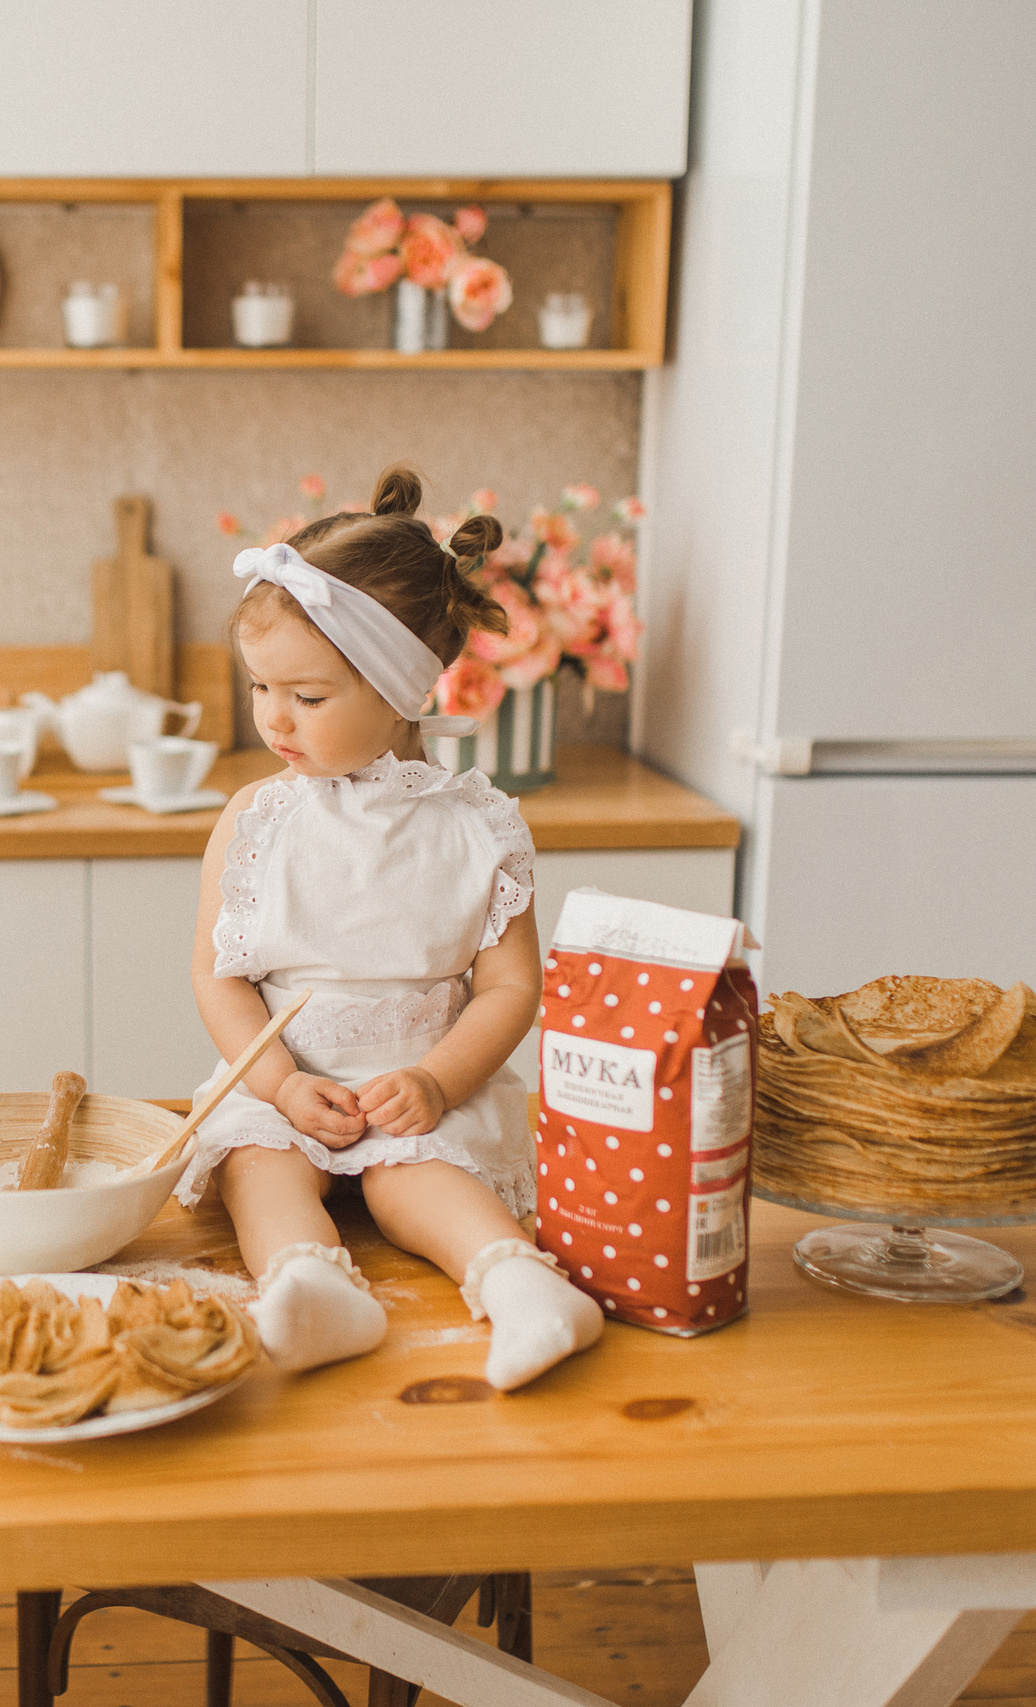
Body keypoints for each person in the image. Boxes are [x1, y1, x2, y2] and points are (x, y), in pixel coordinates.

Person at [184, 466, 602, 1390]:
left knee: (412, 1181)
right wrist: (283, 1086)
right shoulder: (257, 819)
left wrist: (434, 1078)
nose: (274, 717)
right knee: (260, 1163)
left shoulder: (476, 825)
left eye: (310, 696)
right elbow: (220, 977)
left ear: (398, 690)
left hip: (419, 1089)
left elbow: (510, 987)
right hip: (284, 1085)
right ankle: (309, 1282)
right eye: (262, 688)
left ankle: (523, 1286)